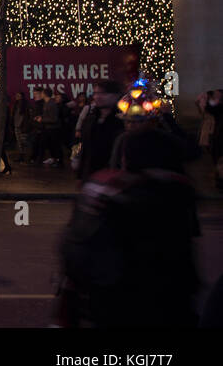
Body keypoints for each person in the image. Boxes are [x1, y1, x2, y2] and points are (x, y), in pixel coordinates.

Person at [55, 79, 200, 328]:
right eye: (130, 122)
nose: (133, 126)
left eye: (138, 121)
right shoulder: (116, 172)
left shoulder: (162, 161)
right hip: (128, 280)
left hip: (142, 274)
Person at [74, 79, 123, 181]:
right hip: (91, 176)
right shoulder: (91, 119)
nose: (97, 97)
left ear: (115, 95)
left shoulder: (122, 121)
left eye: (103, 93)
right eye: (96, 93)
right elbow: (84, 147)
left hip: (114, 179)